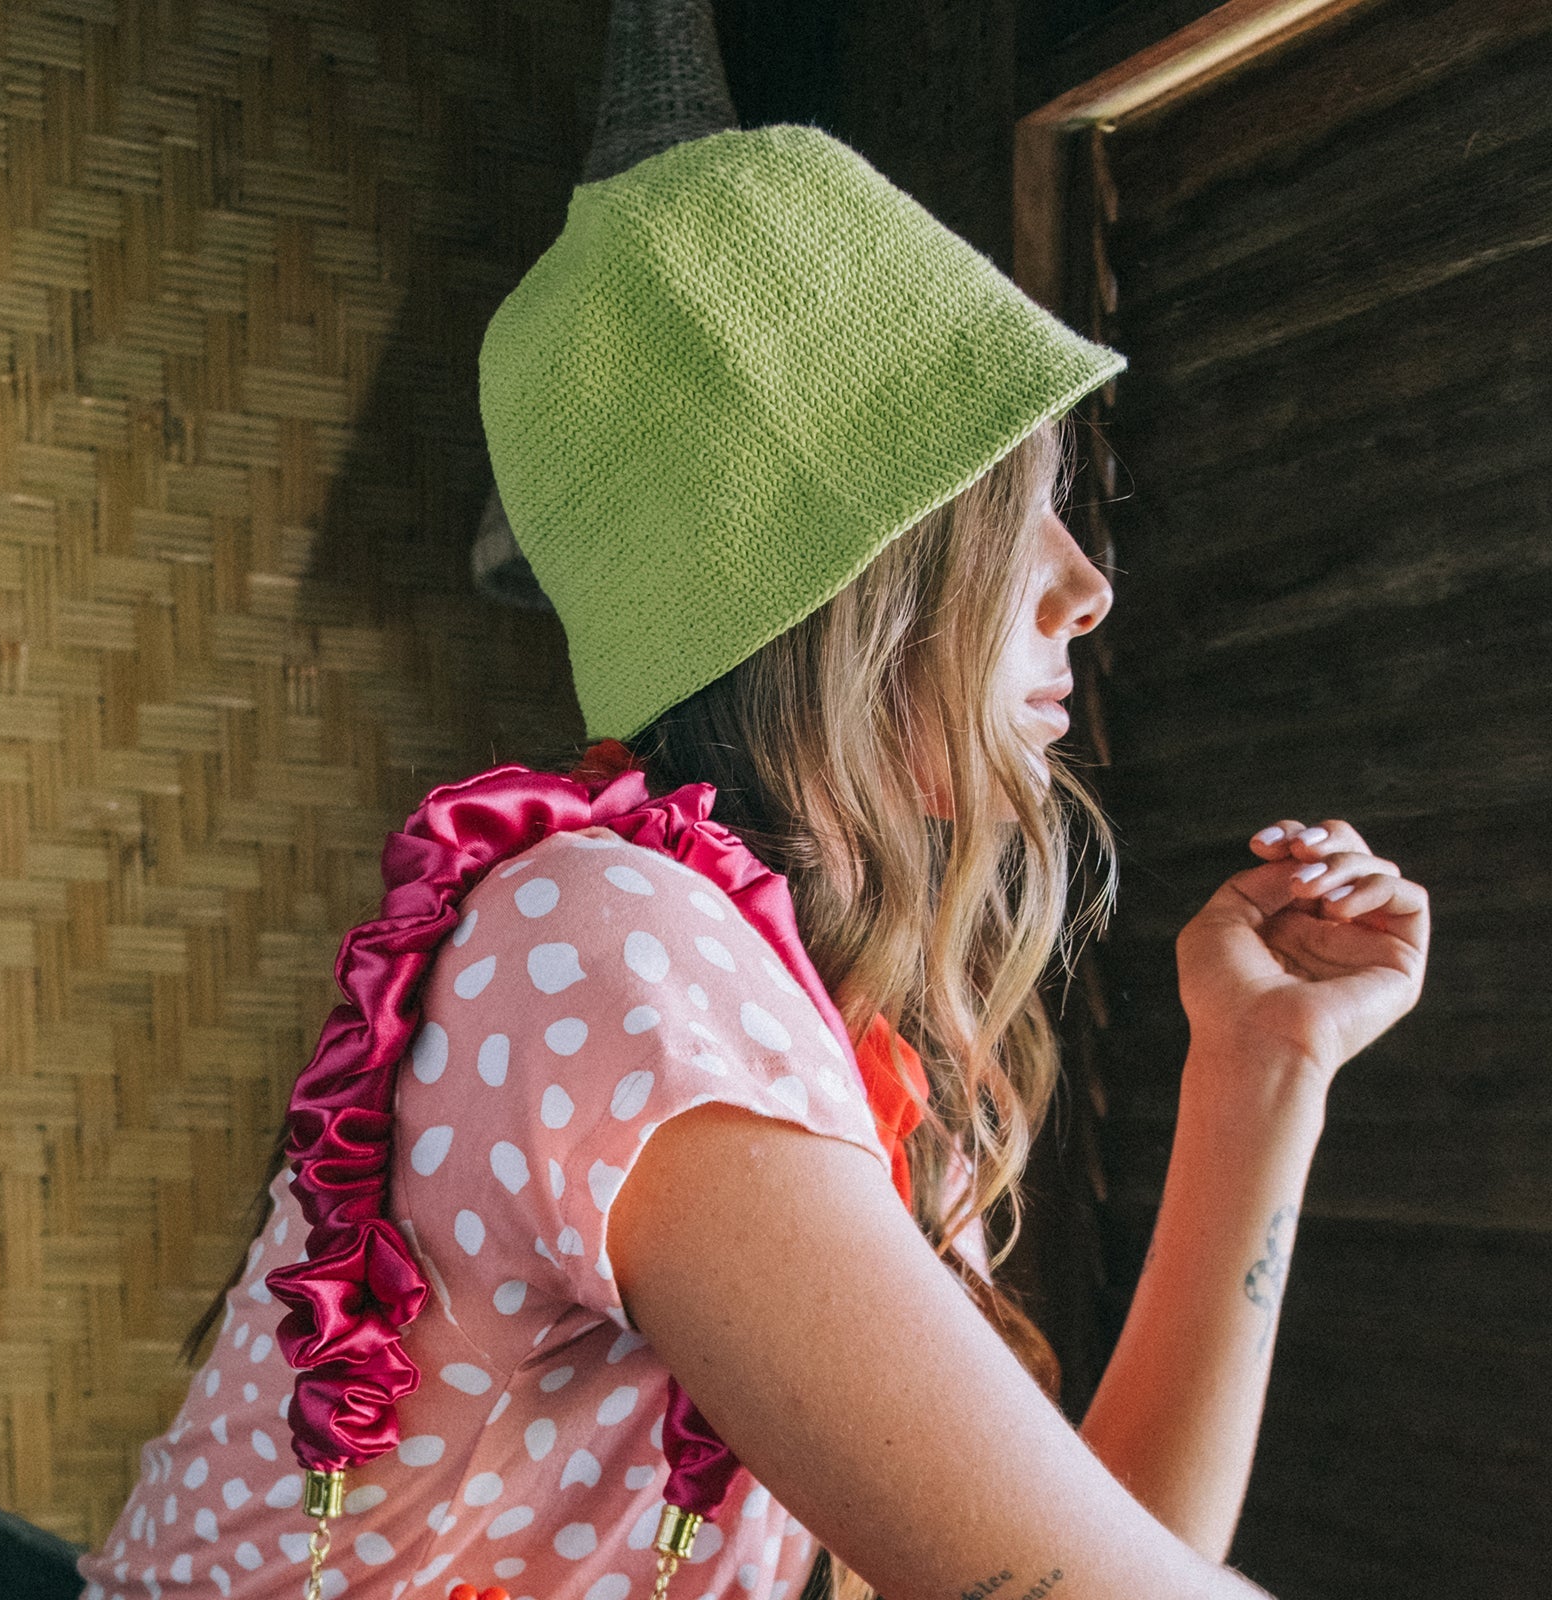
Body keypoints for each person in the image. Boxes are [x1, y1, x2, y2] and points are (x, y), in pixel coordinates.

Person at [78, 125, 1428, 1600]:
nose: (1085, 588)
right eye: (1010, 506)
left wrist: (1263, 1069)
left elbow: (1110, 1553)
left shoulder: (823, 1011)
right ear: (835, 565)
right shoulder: (605, 945)